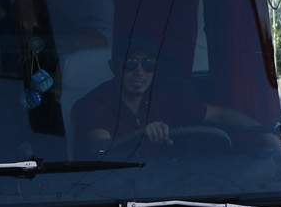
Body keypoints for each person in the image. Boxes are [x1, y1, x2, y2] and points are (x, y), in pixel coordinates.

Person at [71, 33, 262, 156]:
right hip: (110, 190)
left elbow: (219, 115)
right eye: (130, 63)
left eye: (148, 64)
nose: (139, 72)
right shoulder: (93, 103)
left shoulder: (164, 99)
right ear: (113, 67)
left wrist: (265, 134)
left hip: (162, 187)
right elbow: (100, 148)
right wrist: (138, 135)